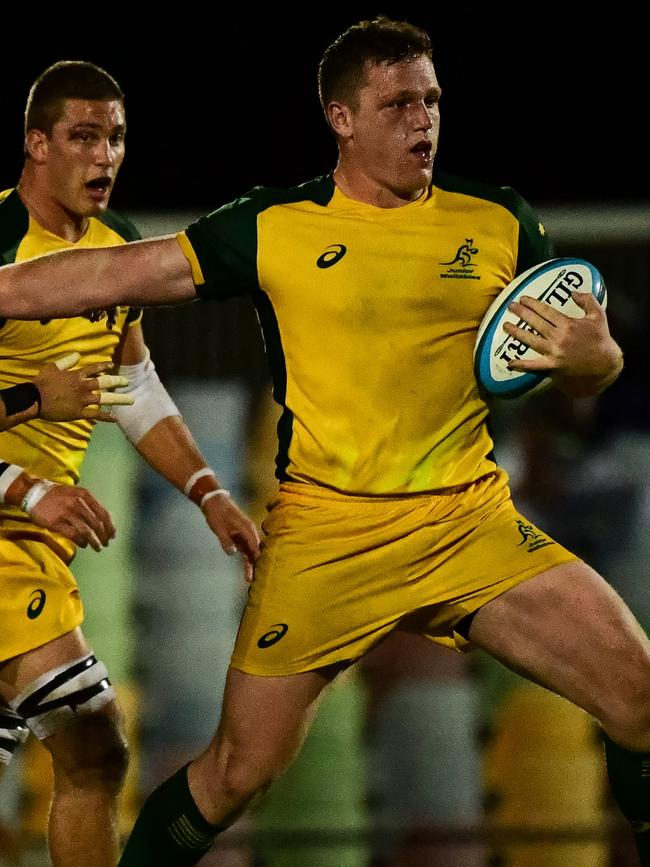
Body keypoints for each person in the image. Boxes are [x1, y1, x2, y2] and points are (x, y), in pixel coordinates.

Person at [0, 18, 647, 867]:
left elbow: (582, 365)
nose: (424, 120)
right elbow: (118, 275)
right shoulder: (276, 225)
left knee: (639, 696)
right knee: (232, 776)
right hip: (328, 538)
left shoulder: (500, 221)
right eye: (399, 103)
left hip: (468, 524)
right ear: (342, 118)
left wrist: (598, 356)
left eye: (432, 100)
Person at [0, 60, 259, 867]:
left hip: (31, 537)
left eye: (115, 137)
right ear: (36, 144)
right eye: (83, 136)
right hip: (9, 526)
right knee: (96, 744)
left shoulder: (119, 250)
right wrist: (28, 436)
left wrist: (209, 491)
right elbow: (40, 398)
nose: (104, 155)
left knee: (91, 751)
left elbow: (133, 385)